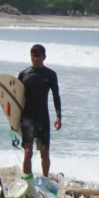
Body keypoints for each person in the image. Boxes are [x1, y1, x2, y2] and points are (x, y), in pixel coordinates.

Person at [18, 44, 61, 178]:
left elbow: (56, 96)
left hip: (43, 118)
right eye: (33, 56)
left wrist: (58, 116)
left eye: (38, 56)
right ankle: (27, 180)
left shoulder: (50, 75)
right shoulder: (24, 74)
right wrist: (13, 119)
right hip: (27, 117)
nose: (35, 59)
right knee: (28, 151)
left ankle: (45, 179)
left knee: (44, 152)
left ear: (44, 57)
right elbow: (16, 98)